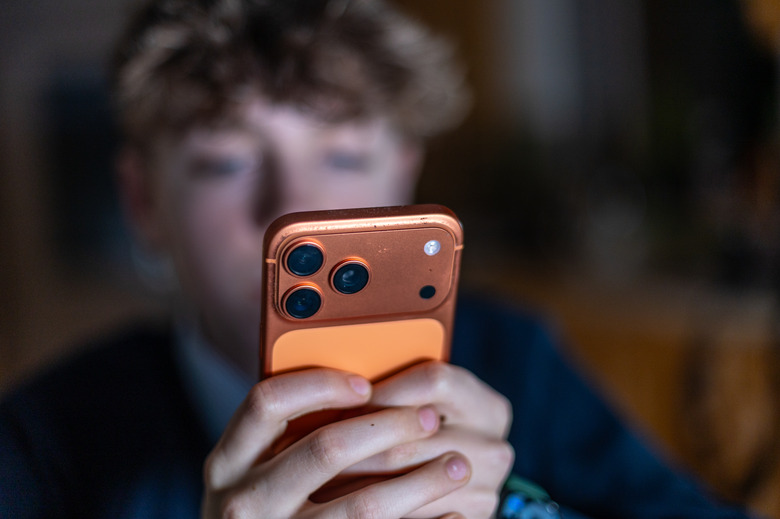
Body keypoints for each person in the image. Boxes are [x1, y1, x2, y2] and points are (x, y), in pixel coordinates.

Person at [0, 0, 755, 517]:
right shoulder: (39, 442)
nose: (295, 209)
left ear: (404, 179)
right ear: (142, 203)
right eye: (225, 162)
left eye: (345, 155)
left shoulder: (517, 358)